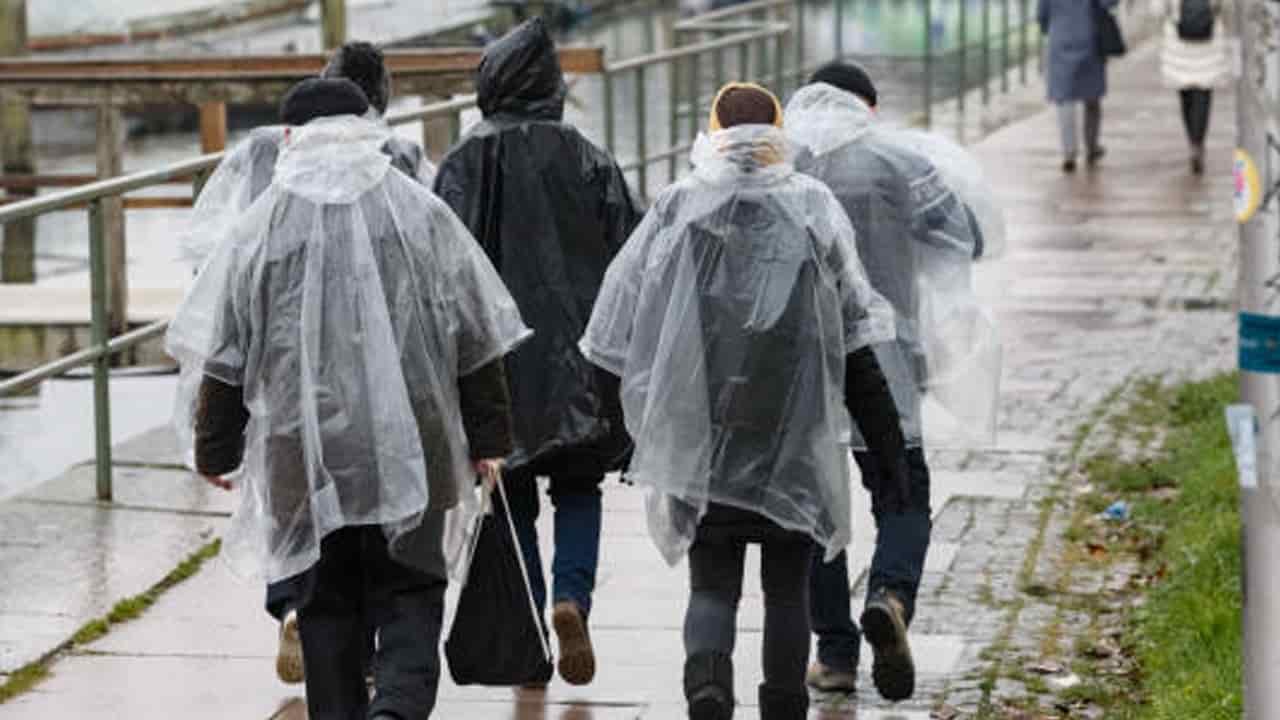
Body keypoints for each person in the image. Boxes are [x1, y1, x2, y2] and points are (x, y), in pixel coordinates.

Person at [167, 76, 531, 720]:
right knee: (412, 588)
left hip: (302, 457)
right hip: (414, 444)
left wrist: (215, 449)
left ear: (289, 138)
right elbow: (475, 336)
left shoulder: (260, 229)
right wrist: (490, 439)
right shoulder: (421, 214)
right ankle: (396, 706)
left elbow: (225, 355)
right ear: (367, 128)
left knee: (326, 601)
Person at [581, 82, 911, 720]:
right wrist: (887, 445)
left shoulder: (680, 207)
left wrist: (622, 432)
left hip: (702, 436)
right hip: (792, 434)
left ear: (712, 133)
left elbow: (615, 328)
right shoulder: (813, 209)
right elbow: (857, 341)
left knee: (711, 583)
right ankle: (783, 703)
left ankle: (707, 685)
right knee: (786, 591)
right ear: (779, 135)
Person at [175, 40, 441, 686]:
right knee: (397, 571)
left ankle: (294, 607)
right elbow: (456, 311)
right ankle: (392, 687)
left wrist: (216, 447)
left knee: (318, 573)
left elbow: (228, 339)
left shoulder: (262, 214)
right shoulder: (404, 177)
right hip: (391, 417)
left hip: (295, 419)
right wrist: (481, 434)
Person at [432, 17, 641, 687]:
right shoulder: (588, 157)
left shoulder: (462, 163)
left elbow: (438, 272)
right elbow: (632, 256)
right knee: (579, 489)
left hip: (495, 367)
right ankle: (570, 597)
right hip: (580, 360)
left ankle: (526, 626)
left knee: (510, 493)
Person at [785, 62, 1001, 702]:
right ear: (868, 108)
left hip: (803, 366)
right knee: (902, 489)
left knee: (816, 511)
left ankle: (836, 654)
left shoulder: (783, 162)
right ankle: (890, 595)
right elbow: (970, 237)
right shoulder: (899, 160)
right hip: (887, 360)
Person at [1038, 0, 1120, 172]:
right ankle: (1092, 146)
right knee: (1092, 96)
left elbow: (1042, 14)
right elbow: (1109, 3)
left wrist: (1049, 27)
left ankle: (1069, 152)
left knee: (1064, 98)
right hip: (1089, 37)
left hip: (1059, 39)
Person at [1153, 0, 1230, 174]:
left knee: (1185, 93)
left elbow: (1157, 9)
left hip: (1177, 41)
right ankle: (1198, 143)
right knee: (1204, 92)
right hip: (1209, 39)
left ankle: (1193, 142)